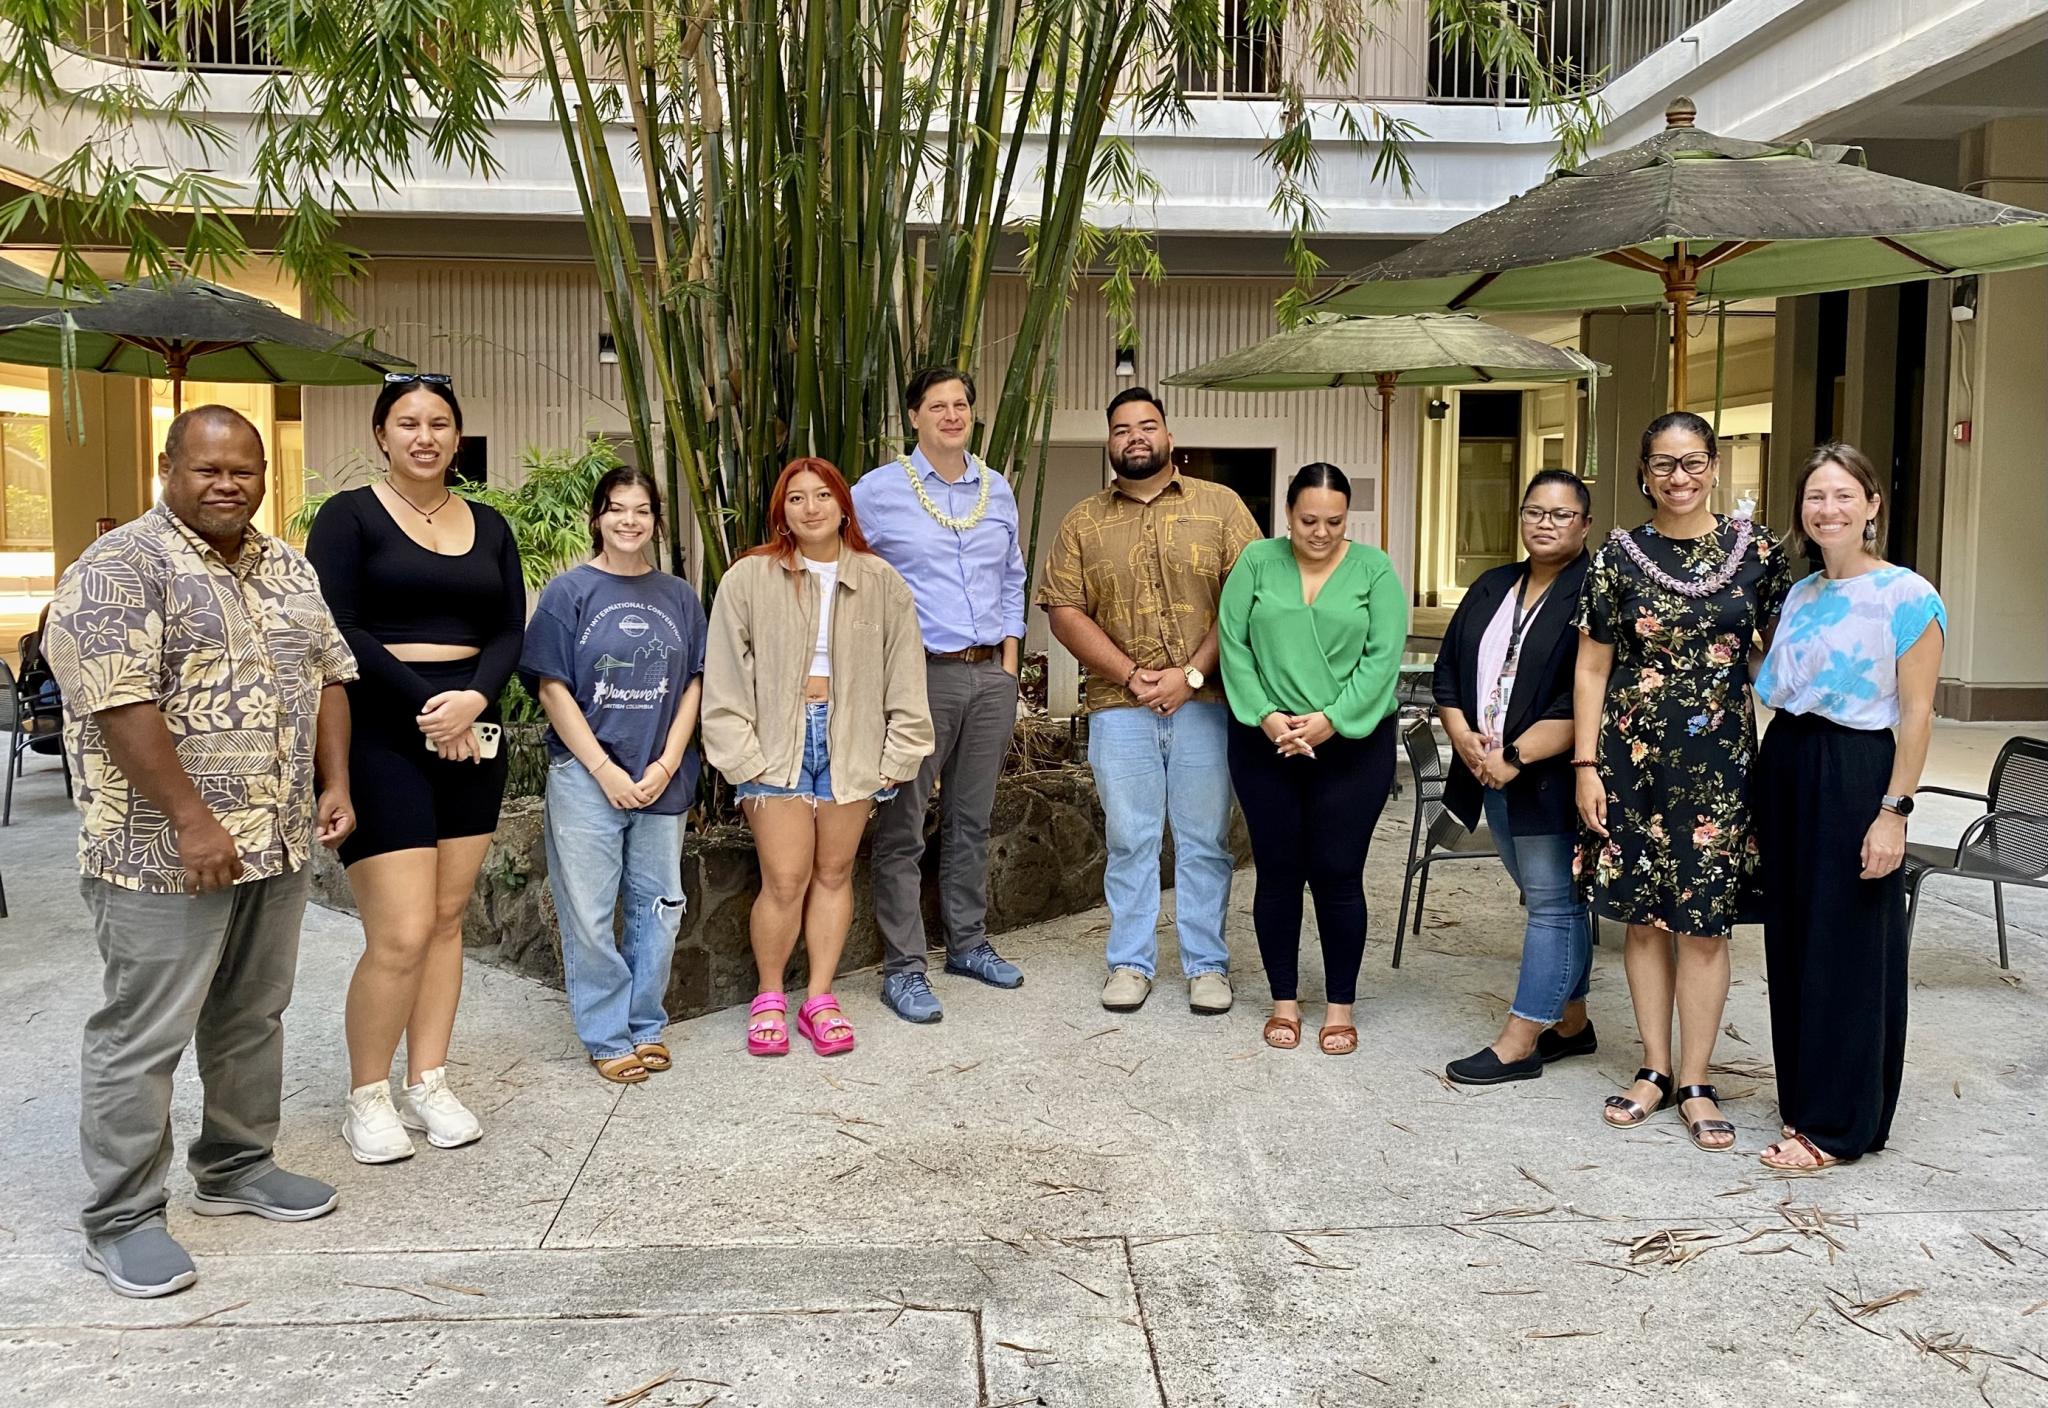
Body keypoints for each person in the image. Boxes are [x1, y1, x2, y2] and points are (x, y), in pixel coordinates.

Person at [43, 406, 357, 1298]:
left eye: (244, 470)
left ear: (263, 474)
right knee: (144, 1033)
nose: (228, 483)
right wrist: (190, 818)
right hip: (160, 853)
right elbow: (117, 702)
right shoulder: (117, 568)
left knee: (252, 1014)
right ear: (167, 466)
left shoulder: (286, 565)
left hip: (276, 838)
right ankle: (121, 1217)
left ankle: (234, 1166)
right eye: (208, 468)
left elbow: (329, 674)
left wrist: (333, 784)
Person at [305, 374, 524, 1163]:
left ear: (457, 438)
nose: (424, 436)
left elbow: (507, 628)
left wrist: (472, 699)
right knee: (397, 931)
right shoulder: (349, 517)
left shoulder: (491, 524)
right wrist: (433, 707)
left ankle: (427, 1079)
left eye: (439, 423)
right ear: (381, 436)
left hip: (472, 729)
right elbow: (340, 629)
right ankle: (367, 1095)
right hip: (382, 731)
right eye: (407, 423)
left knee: (444, 920)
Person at [1573, 412, 1792, 1152]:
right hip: (1632, 762)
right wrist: (1584, 764)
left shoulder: (1757, 553)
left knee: (1703, 924)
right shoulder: (1617, 558)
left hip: (1721, 767)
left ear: (1713, 464)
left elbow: (1776, 657)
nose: (1678, 477)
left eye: (1692, 462)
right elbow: (1593, 665)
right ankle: (1655, 1070)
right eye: (1663, 463)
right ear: (1643, 470)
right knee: (1643, 919)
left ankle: (1697, 1080)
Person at [1752, 443, 1944, 1170]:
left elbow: (1919, 714)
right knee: (1795, 938)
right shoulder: (1801, 594)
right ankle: (1808, 1096)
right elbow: (1778, 684)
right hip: (1790, 761)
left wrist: (1894, 809)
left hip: (1857, 768)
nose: (1827, 509)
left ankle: (1837, 1128)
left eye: (1842, 495)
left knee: (1849, 945)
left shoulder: (1907, 596)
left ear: (1872, 505)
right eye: (1814, 497)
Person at [1039, 388, 1261, 1015]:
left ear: (1168, 435)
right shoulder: (1084, 520)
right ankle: (1130, 962)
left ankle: (1207, 966)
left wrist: (1189, 674)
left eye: (1147, 425)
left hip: (1208, 702)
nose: (1135, 436)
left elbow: (1246, 600)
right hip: (1119, 706)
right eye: (1121, 429)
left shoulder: (1222, 508)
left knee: (1204, 839)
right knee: (1131, 838)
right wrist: (1135, 675)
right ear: (1109, 443)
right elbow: (1063, 609)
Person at [702, 458, 933, 1057]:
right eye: (796, 498)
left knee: (833, 873)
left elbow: (904, 672)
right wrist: (741, 755)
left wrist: (898, 752)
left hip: (852, 738)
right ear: (781, 510)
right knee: (784, 878)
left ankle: (820, 998)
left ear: (843, 505)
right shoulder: (748, 577)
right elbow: (724, 675)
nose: (811, 507)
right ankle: (771, 995)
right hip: (777, 740)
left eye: (822, 495)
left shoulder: (881, 579)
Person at [852, 368, 1029, 1024]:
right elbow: (841, 566)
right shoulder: (877, 492)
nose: (951, 415)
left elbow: (1013, 573)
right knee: (901, 826)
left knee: (970, 820)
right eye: (937, 405)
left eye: (960, 404)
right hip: (919, 675)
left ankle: (968, 943)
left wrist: (1010, 658)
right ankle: (903, 969)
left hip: (990, 678)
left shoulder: (997, 488)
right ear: (914, 416)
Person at [522, 467, 707, 1085]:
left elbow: (695, 685)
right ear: (597, 516)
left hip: (661, 775)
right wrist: (603, 770)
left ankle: (646, 1022)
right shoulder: (567, 592)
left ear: (655, 519)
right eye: (616, 509)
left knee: (659, 906)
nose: (629, 521)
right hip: (585, 774)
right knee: (590, 911)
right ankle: (606, 1033)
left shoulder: (680, 595)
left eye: (642, 510)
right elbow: (552, 687)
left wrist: (666, 762)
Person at [1217, 463, 1404, 1055]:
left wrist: (1330, 722)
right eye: (1307, 520)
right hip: (1264, 739)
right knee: (1276, 875)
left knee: (1338, 874)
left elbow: (1382, 658)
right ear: (1287, 515)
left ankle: (1340, 1007)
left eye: (1334, 521)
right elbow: (1233, 644)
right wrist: (1267, 715)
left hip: (1351, 743)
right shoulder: (1255, 561)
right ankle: (1284, 1002)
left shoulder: (1374, 569)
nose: (1320, 532)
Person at [1435, 470, 1598, 1084]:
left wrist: (1515, 757)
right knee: (1551, 899)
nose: (1546, 523)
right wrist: (1464, 740)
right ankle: (1574, 1025)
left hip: (1549, 778)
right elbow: (1450, 669)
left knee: (1553, 904)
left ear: (1584, 524)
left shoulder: (1594, 592)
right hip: (1486, 772)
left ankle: (1521, 1038)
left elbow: (1583, 695)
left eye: (1561, 514)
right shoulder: (1493, 585)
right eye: (1535, 512)